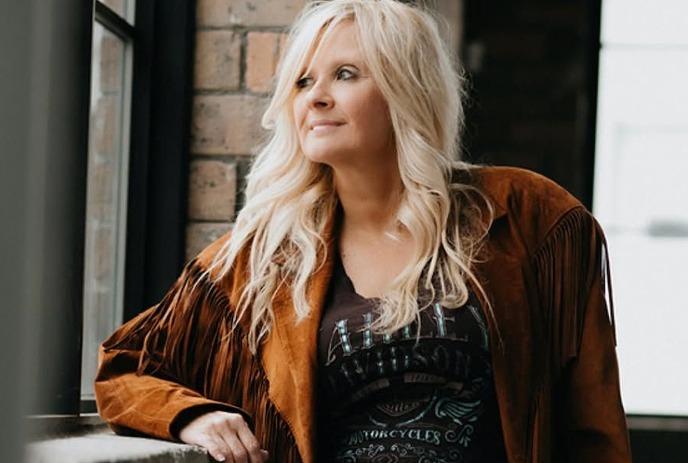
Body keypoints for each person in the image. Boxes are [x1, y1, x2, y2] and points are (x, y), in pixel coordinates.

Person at [94, 1, 632, 462]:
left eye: (345, 74)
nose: (315, 97)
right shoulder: (261, 259)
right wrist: (191, 416)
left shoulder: (528, 217)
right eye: (303, 81)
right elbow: (123, 369)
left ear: (407, 88)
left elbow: (594, 426)